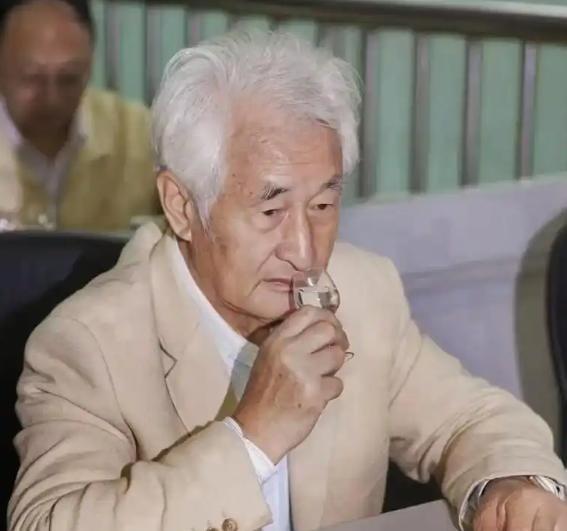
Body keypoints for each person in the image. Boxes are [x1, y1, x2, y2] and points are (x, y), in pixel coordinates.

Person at [8, 31, 567, 531]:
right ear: (181, 206)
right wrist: (253, 435)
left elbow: (471, 418)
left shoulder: (362, 290)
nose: (304, 250)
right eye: (270, 211)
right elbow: (45, 523)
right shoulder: (90, 343)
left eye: (323, 205)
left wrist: (508, 485)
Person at [0, 0, 159, 232]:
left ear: (90, 65)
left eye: (69, 79)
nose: (51, 99)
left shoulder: (137, 134)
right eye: (32, 78)